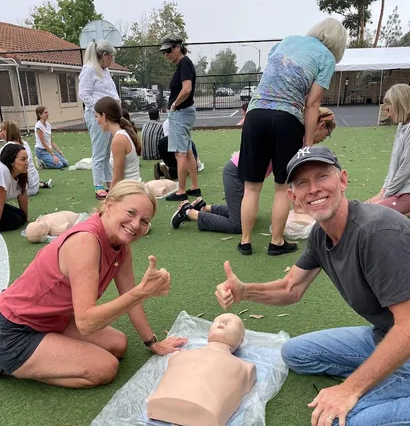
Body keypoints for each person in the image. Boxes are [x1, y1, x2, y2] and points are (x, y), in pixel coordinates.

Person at [215, 145, 410, 426]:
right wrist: (245, 291)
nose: (314, 189)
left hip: (404, 334)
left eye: (322, 176)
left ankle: (388, 377)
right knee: (295, 354)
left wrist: (350, 390)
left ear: (343, 180)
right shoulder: (321, 234)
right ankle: (389, 373)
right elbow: (291, 288)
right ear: (293, 197)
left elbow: (408, 328)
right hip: (387, 334)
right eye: (302, 183)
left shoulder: (377, 232)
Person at [0, 181, 187, 387]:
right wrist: (142, 293)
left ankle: (47, 351)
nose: (136, 224)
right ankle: (13, 365)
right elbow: (87, 322)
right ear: (109, 205)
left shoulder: (120, 244)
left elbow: (130, 294)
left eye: (144, 221)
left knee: (118, 345)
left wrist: (153, 343)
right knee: (105, 368)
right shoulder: (85, 242)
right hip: (11, 332)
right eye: (131, 212)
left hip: (50, 320)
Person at [237, 18, 347, 256]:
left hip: (255, 114)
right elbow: (313, 103)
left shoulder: (287, 41)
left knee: (251, 187)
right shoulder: (326, 59)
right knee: (280, 187)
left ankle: (245, 241)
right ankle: (276, 242)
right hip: (286, 119)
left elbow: (273, 75)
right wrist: (307, 140)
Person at [171, 107, 336, 232]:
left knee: (248, 215)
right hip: (236, 173)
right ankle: (189, 212)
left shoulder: (298, 137)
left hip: (241, 173)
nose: (323, 139)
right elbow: (290, 179)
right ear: (320, 125)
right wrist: (299, 206)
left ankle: (204, 206)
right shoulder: (294, 136)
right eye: (327, 134)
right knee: (238, 225)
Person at [147, 314, 255, 426]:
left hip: (207, 414)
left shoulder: (246, 368)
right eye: (217, 320)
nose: (223, 321)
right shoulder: (178, 354)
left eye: (232, 322)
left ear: (241, 340)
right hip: (160, 404)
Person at [159, 34, 199, 201]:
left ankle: (181, 191)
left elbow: (187, 88)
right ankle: (194, 188)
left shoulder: (184, 64)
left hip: (181, 113)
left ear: (177, 47)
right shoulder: (184, 64)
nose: (167, 54)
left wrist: (174, 105)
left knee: (180, 153)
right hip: (185, 112)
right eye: (164, 52)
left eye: (169, 50)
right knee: (188, 151)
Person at [79, 40, 120, 199]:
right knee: (99, 151)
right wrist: (100, 109)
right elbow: (84, 94)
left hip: (109, 114)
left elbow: (111, 91)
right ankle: (98, 185)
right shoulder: (89, 69)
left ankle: (109, 182)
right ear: (104, 55)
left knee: (107, 150)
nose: (112, 60)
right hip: (98, 115)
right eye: (111, 57)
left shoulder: (105, 70)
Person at [366, 84, 410, 214]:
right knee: (365, 209)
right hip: (399, 191)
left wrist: (385, 196)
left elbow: (405, 170)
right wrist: (382, 192)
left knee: (372, 213)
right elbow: (394, 165)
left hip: (406, 191)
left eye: (389, 109)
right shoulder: (402, 126)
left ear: (399, 105)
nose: (388, 114)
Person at [0, 120, 51, 195]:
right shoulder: (24, 143)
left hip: (26, 187)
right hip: (34, 183)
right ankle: (40, 184)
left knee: (0, 168)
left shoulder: (9, 146)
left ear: (4, 132)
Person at [94, 97, 141, 192]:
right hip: (130, 189)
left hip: (130, 192)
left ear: (104, 116)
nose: (96, 121)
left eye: (97, 116)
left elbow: (117, 179)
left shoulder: (119, 140)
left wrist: (108, 201)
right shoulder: (122, 135)